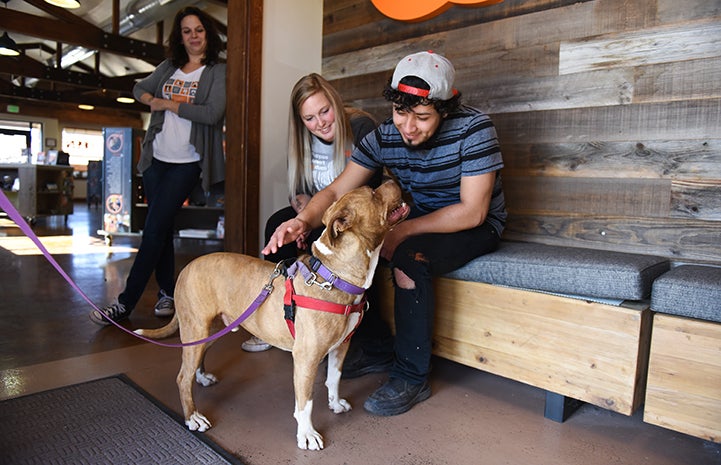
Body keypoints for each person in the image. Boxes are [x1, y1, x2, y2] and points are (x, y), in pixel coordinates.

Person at [262, 51, 507, 416]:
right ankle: (373, 348)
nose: (408, 127)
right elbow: (334, 192)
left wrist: (403, 231)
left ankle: (411, 377)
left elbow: (473, 211)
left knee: (408, 258)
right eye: (400, 113)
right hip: (424, 217)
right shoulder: (385, 136)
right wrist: (304, 220)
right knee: (363, 244)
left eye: (422, 117)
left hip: (474, 224)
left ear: (445, 109)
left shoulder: (474, 129)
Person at [90, 6, 226, 325]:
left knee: (152, 230)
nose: (193, 36)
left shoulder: (218, 70)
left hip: (188, 162)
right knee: (160, 229)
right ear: (180, 37)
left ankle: (124, 304)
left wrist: (167, 104)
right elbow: (139, 88)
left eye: (199, 30)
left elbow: (212, 113)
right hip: (155, 160)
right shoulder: (169, 66)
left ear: (208, 33)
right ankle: (167, 293)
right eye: (186, 31)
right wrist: (150, 98)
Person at [241, 73, 379, 352]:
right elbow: (299, 192)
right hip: (317, 214)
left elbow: (366, 188)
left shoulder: (362, 127)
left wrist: (309, 219)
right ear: (301, 122)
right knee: (276, 225)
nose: (321, 123)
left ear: (336, 104)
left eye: (324, 111)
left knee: (317, 233)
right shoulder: (302, 141)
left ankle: (328, 326)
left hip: (352, 218)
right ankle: (276, 321)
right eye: (310, 118)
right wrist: (301, 212)